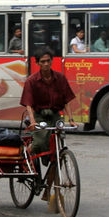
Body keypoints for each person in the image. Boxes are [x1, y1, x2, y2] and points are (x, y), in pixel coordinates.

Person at [20, 48, 77, 195]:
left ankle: (50, 185)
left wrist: (71, 119)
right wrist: (32, 121)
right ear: (38, 63)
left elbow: (66, 101)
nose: (46, 64)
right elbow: (29, 105)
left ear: (52, 61)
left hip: (55, 116)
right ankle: (27, 154)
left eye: (48, 61)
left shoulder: (60, 78)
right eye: (43, 61)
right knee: (40, 142)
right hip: (39, 116)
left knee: (56, 149)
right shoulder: (32, 81)